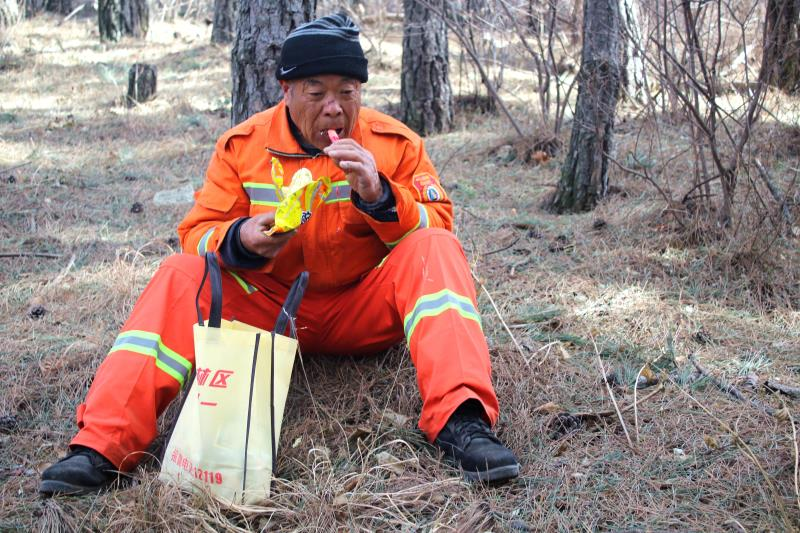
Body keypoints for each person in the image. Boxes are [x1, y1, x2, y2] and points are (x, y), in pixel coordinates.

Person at [39, 12, 519, 496]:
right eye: (317, 92)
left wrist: (379, 195)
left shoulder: (395, 143)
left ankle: (463, 422)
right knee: (179, 274)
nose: (334, 108)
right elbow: (197, 234)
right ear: (285, 90)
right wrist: (241, 239)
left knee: (435, 247)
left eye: (347, 92)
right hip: (270, 313)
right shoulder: (243, 146)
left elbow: (438, 230)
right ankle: (103, 444)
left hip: (364, 310)